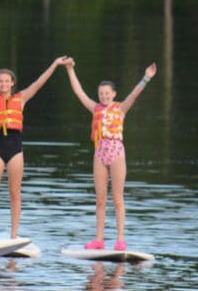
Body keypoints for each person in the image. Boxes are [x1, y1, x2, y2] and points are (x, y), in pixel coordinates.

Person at [0, 50, 70, 241]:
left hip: (15, 148)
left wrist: (55, 64)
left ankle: (14, 235)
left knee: (15, 193)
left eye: (6, 81)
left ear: (12, 83)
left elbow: (39, 83)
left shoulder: (22, 98)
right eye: (0, 81)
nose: (3, 84)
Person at [65, 59, 157, 251]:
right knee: (100, 199)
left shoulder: (121, 108)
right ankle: (99, 239)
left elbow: (134, 95)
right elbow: (78, 92)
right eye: (101, 94)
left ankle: (120, 239)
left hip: (116, 153)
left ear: (114, 94)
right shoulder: (94, 108)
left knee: (117, 198)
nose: (104, 96)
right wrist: (70, 69)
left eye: (107, 93)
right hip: (100, 153)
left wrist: (146, 79)